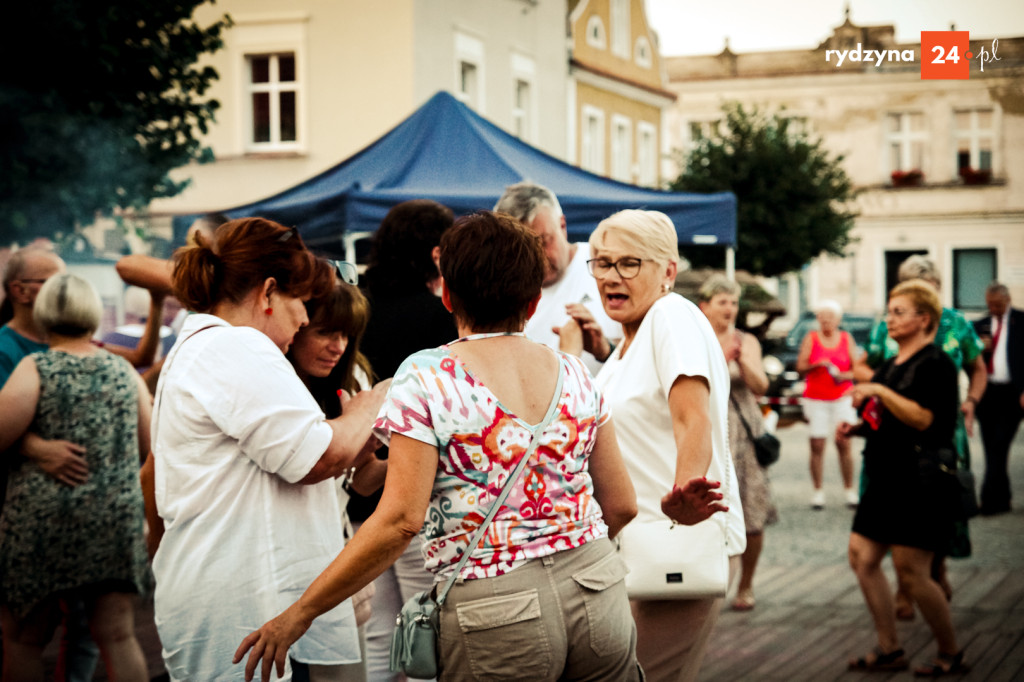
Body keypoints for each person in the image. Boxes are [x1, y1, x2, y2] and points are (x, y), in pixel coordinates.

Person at [234, 211, 673, 682]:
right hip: (597, 588)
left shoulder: (428, 377)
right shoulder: (576, 373)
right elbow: (622, 505)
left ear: (446, 293)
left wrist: (300, 613)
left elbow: (400, 521)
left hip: (495, 608)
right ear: (532, 303)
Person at [150, 217, 389, 681]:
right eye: (299, 302)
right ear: (267, 293)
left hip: (238, 601)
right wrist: (369, 407)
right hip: (235, 608)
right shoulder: (236, 346)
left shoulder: (208, 345)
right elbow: (319, 458)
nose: (303, 319)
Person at [583, 209, 743, 682]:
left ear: (668, 271)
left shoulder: (672, 317)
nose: (612, 276)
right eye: (601, 262)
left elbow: (692, 417)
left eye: (629, 263)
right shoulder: (626, 343)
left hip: (674, 544)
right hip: (639, 546)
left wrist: (686, 490)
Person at [0, 273, 153, 682]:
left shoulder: (36, 367)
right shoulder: (124, 374)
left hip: (42, 525)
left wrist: (29, 445)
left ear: (46, 313)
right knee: (119, 637)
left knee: (25, 641)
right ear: (93, 315)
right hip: (112, 524)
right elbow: (152, 445)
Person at [353, 199, 457, 681]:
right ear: (437, 254)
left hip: (360, 485)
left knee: (378, 628)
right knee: (423, 629)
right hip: (415, 492)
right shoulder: (436, 318)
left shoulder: (356, 306)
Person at [842, 280, 967, 676]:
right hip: (884, 477)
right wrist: (858, 429)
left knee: (913, 574)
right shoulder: (893, 363)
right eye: (889, 311)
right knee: (862, 558)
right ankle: (890, 648)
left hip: (919, 481)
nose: (889, 319)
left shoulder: (936, 364)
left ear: (923, 318)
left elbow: (926, 419)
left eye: (898, 312)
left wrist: (877, 388)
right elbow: (889, 420)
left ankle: (950, 652)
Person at [853, 254, 985, 619]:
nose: (922, 296)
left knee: (937, 509)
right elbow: (864, 366)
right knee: (881, 533)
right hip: (891, 435)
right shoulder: (888, 327)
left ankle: (932, 572)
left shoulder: (957, 325)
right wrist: (876, 388)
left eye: (928, 290)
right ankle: (906, 585)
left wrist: (971, 401)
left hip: (940, 433)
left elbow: (978, 368)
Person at [698, 275, 777, 613]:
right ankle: (710, 580)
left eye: (733, 302)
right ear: (705, 306)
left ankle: (746, 583)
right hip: (711, 428)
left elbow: (761, 386)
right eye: (722, 302)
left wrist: (742, 360)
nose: (729, 309)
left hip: (743, 432)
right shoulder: (696, 337)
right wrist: (719, 355)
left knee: (752, 508)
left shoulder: (747, 341)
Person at [494, 181, 621, 375]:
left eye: (544, 242)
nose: (538, 258)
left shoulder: (608, 265)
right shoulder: (501, 292)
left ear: (562, 225)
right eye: (522, 250)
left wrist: (604, 348)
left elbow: (643, 349)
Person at [796, 300, 859, 510]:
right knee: (817, 444)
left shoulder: (846, 338)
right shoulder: (811, 338)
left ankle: (849, 489)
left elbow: (857, 369)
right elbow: (800, 367)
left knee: (844, 443)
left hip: (842, 396)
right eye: (822, 317)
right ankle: (817, 491)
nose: (826, 321)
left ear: (838, 319)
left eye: (830, 317)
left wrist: (843, 375)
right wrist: (817, 365)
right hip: (816, 397)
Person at [972, 281, 1024, 516]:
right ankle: (1003, 498)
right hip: (988, 393)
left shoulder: (1022, 322)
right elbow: (972, 362)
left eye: (997, 305)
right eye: (989, 305)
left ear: (1008, 300)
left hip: (1013, 394)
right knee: (990, 445)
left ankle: (988, 500)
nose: (993, 309)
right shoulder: (980, 325)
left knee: (1000, 444)